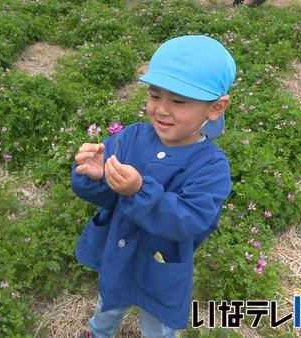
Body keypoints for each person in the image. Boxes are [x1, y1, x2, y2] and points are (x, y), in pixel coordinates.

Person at [72, 35, 236, 338]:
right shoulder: (132, 136)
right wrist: (94, 175)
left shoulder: (211, 165)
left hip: (162, 265)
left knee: (157, 322)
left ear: (215, 108)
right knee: (108, 302)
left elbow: (191, 219)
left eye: (178, 101)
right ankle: (98, 332)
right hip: (118, 252)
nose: (162, 109)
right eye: (155, 95)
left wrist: (138, 191)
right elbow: (109, 197)